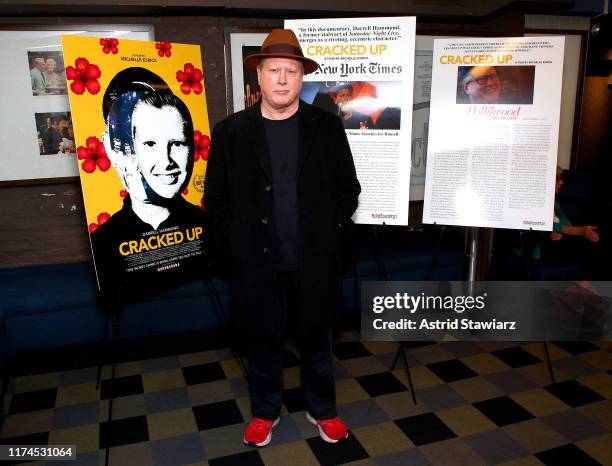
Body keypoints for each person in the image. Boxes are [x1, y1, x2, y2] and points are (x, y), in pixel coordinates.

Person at [205, 29, 361, 447]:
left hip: (314, 261)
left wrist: (333, 232)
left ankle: (323, 410)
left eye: (291, 71)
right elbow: (214, 202)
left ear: (300, 77)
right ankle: (265, 411)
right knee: (262, 343)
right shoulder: (230, 132)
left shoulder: (326, 127)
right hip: (256, 264)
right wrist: (233, 251)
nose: (282, 79)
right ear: (259, 75)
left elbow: (349, 189)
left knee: (317, 342)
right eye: (273, 70)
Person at [91, 67, 206, 294]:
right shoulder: (102, 243)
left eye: (177, 143)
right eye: (150, 144)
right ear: (113, 149)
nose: (166, 161)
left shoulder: (208, 228)